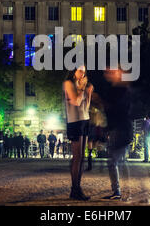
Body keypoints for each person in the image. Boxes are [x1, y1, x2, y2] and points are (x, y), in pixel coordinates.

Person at [101, 67, 134, 201]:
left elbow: (116, 110)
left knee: (113, 161)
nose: (107, 73)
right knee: (118, 161)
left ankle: (119, 191)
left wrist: (101, 102)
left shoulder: (120, 90)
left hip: (120, 129)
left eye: (111, 71)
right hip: (121, 128)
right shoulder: (121, 90)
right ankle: (122, 191)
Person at [63, 65, 93, 200]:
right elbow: (75, 101)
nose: (82, 74)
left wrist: (89, 93)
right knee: (77, 156)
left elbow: (86, 106)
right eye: (80, 71)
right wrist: (81, 88)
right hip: (75, 121)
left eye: (84, 72)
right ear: (74, 71)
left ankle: (77, 188)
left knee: (82, 157)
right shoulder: (69, 83)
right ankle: (75, 188)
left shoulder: (82, 85)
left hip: (85, 120)